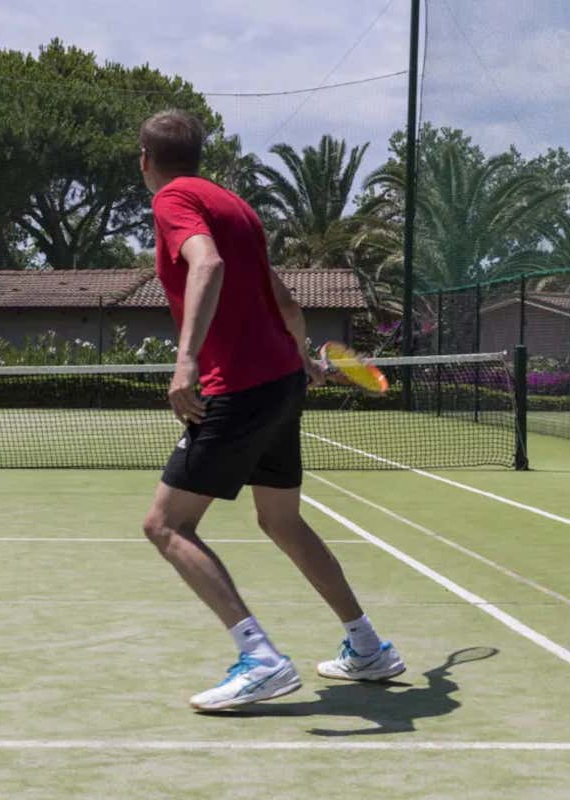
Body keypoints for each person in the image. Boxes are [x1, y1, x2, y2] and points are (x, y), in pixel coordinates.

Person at [138, 109, 404, 712]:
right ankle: (368, 648)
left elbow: (207, 264)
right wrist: (301, 359)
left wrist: (184, 362)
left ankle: (260, 659)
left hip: (239, 386)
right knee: (281, 520)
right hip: (282, 381)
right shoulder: (236, 205)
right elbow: (281, 297)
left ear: (146, 160)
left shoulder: (174, 200)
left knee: (165, 525)